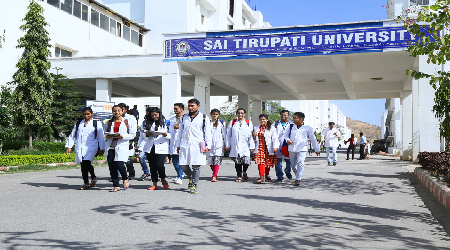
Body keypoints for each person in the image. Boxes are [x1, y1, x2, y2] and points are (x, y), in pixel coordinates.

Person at [176, 99, 212, 194]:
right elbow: (180, 132)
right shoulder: (184, 117)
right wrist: (178, 145)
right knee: (183, 165)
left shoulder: (204, 118)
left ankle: (193, 185)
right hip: (185, 144)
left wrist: (208, 145)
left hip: (198, 145)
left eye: (192, 105)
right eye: (189, 106)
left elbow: (208, 133)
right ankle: (192, 178)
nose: (190, 108)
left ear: (198, 106)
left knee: (196, 166)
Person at [65, 107, 105, 190]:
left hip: (92, 146)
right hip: (80, 147)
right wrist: (69, 146)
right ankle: (86, 183)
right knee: (83, 164)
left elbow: (101, 137)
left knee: (86, 162)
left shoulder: (96, 123)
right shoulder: (79, 123)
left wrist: (102, 148)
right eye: (84, 114)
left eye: (88, 114)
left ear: (91, 114)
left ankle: (93, 177)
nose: (86, 116)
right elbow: (73, 135)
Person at [285, 112, 320, 186]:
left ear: (300, 119)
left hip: (302, 149)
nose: (293, 119)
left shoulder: (307, 128)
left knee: (300, 163)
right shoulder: (290, 126)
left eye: (295, 118)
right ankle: (298, 175)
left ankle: (298, 179)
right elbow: (286, 135)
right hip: (292, 148)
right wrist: (288, 140)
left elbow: (313, 139)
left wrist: (317, 149)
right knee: (293, 165)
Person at [139, 107, 170, 190]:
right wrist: (147, 134)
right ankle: (154, 184)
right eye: (152, 115)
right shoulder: (146, 122)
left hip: (161, 145)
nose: (154, 117)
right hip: (150, 146)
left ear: (159, 114)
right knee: (152, 166)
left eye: (155, 115)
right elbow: (142, 134)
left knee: (160, 165)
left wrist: (166, 135)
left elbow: (172, 134)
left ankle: (163, 179)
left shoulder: (165, 122)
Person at [105, 105, 134, 192]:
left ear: (122, 111)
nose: (116, 112)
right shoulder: (109, 122)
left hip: (121, 145)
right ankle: (116, 185)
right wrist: (107, 136)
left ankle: (125, 179)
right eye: (114, 111)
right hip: (111, 146)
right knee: (111, 166)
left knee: (119, 164)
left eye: (118, 110)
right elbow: (104, 134)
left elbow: (132, 134)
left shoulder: (127, 122)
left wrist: (122, 136)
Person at [225, 108, 254, 182]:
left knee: (246, 161)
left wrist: (252, 146)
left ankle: (244, 171)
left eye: (242, 113)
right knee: (237, 161)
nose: (240, 114)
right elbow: (228, 134)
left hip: (245, 144)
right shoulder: (233, 122)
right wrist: (227, 145)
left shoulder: (248, 122)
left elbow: (251, 135)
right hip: (235, 144)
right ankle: (239, 176)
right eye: (238, 113)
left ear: (245, 114)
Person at [253, 114, 279, 184]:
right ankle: (262, 177)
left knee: (267, 162)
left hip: (268, 147)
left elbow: (275, 138)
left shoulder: (271, 128)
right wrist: (253, 135)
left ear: (267, 120)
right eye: (261, 119)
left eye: (264, 119)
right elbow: (252, 139)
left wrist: (275, 147)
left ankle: (266, 176)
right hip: (259, 147)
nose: (262, 121)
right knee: (260, 162)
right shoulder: (256, 128)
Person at [118, 103, 137, 180]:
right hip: (117, 140)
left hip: (127, 140)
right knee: (117, 158)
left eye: (122, 109)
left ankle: (131, 172)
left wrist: (130, 141)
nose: (120, 111)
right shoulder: (114, 118)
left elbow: (133, 130)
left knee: (127, 159)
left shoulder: (130, 118)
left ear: (125, 110)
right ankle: (118, 175)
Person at [273, 110, 293, 182]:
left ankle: (287, 171)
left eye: (285, 115)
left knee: (289, 162)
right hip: (278, 145)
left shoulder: (292, 124)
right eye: (282, 115)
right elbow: (272, 133)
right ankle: (280, 176)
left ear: (288, 116)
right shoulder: (275, 124)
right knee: (278, 163)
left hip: (288, 145)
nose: (283, 116)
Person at [167, 103, 184, 184]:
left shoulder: (186, 118)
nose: (174, 110)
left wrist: (179, 127)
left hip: (182, 142)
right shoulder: (171, 119)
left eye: (176, 109)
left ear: (181, 109)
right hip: (173, 142)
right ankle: (179, 174)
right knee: (174, 161)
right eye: (174, 109)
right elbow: (170, 131)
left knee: (181, 160)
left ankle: (180, 177)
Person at [208, 109, 227, 182]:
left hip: (219, 144)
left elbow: (224, 134)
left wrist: (226, 144)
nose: (215, 115)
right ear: (211, 114)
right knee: (210, 161)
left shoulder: (221, 123)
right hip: (210, 144)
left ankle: (214, 175)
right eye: (213, 114)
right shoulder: (207, 123)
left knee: (217, 160)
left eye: (216, 114)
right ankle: (214, 172)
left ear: (218, 115)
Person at [136, 110, 150, 181]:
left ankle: (156, 174)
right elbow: (141, 135)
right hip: (144, 142)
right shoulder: (144, 122)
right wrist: (138, 144)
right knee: (141, 157)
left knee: (153, 160)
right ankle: (146, 172)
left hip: (153, 143)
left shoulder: (158, 121)